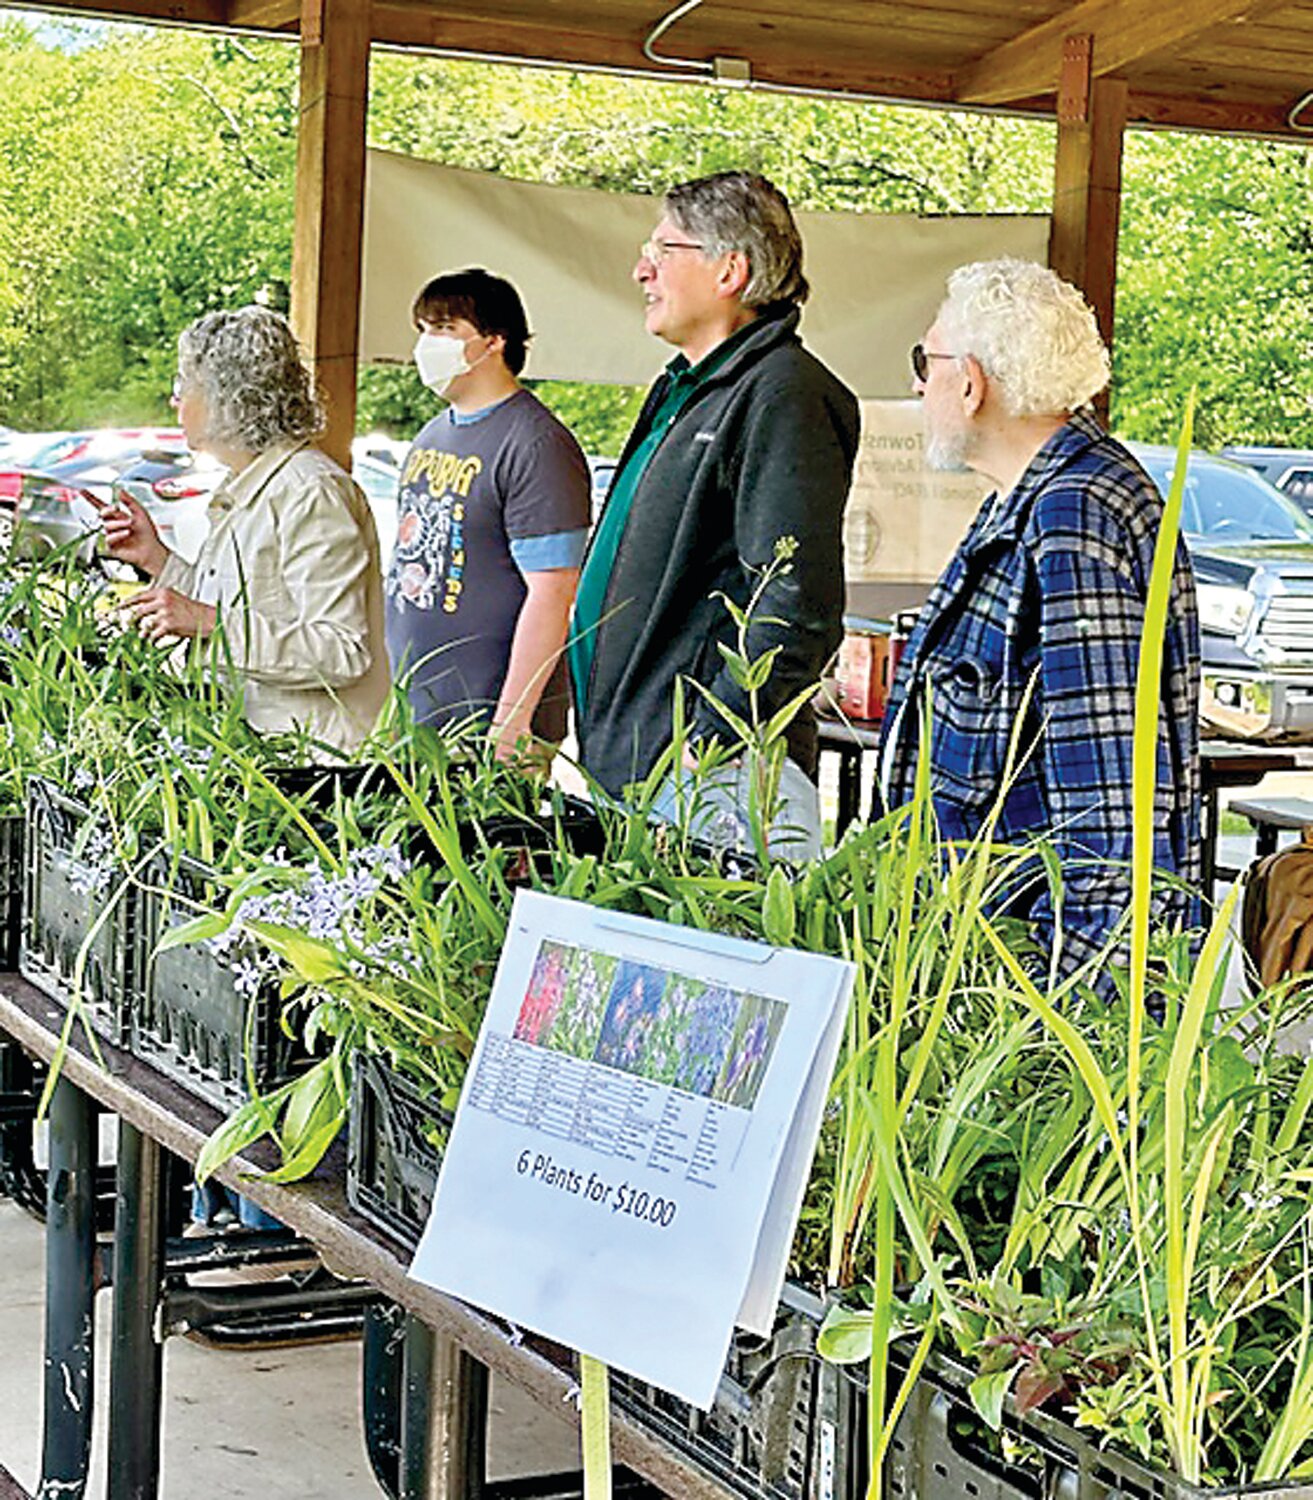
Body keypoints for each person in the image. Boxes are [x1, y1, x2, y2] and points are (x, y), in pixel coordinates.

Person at [878, 257, 1200, 978]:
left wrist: (1072, 1016)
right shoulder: (1028, 497)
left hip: (1029, 983)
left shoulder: (1074, 512)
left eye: (923, 361)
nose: (916, 384)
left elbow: (1109, 799)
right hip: (985, 958)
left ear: (970, 382)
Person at [570, 171, 859, 857]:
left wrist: (709, 739)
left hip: (708, 780)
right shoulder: (687, 387)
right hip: (645, 766)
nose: (640, 269)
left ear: (730, 269)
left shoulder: (782, 392)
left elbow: (794, 596)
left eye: (663, 249)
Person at [97, 305, 389, 756]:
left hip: (315, 771)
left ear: (227, 399)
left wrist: (208, 622)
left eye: (183, 385)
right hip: (263, 757)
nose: (174, 400)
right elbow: (238, 608)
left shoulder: (310, 492)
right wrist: (158, 560)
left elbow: (341, 650)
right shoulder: (250, 482)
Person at [387, 268, 590, 762]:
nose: (428, 345)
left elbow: (554, 591)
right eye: (423, 330)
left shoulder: (536, 443)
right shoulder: (433, 435)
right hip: (417, 713)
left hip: (486, 724)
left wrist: (512, 719)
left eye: (446, 330)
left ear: (494, 341)